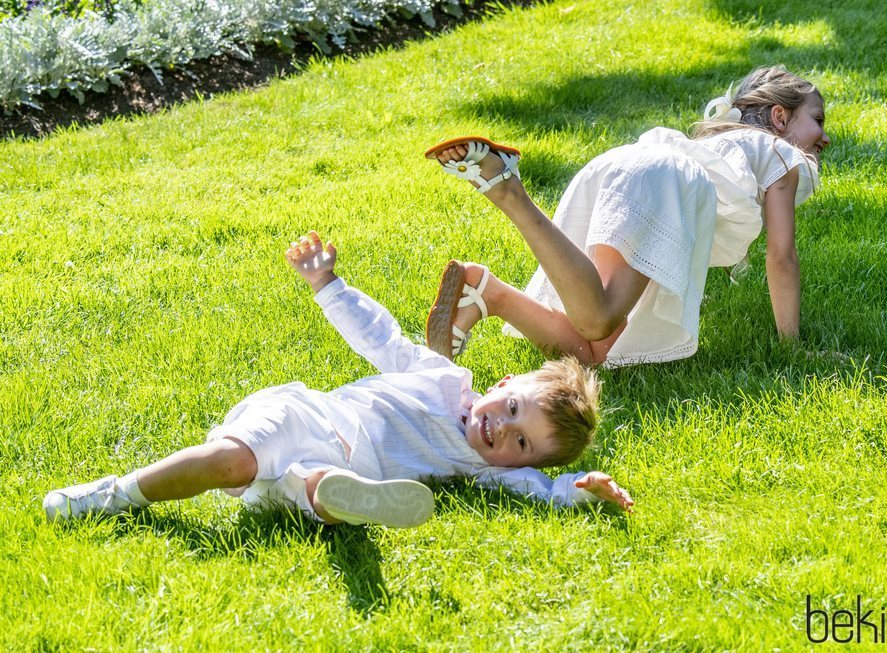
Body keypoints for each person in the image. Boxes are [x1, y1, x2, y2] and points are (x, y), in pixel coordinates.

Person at [44, 231, 633, 528]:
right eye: (511, 410)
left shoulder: (482, 469)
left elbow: (536, 489)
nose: (502, 432)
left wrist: (577, 489)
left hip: (336, 470)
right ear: (502, 384)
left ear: (519, 464)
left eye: (521, 445)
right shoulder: (442, 379)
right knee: (233, 462)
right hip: (314, 419)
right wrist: (329, 286)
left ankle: (334, 496)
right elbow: (382, 339)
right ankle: (116, 494)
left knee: (312, 489)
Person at [424, 65, 829, 367]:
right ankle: (510, 191)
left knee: (593, 351)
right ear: (780, 116)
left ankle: (486, 293)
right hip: (667, 190)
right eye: (817, 119)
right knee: (598, 319)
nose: (824, 137)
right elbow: (781, 257)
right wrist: (792, 346)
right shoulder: (783, 155)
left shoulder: (725, 145)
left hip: (629, 166)